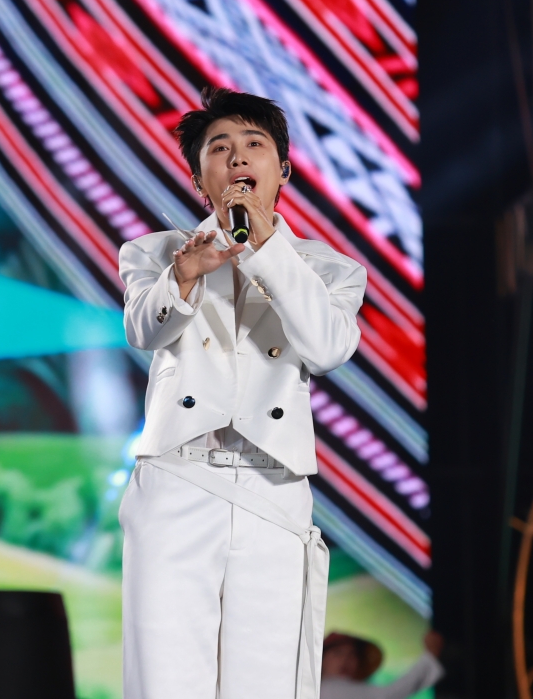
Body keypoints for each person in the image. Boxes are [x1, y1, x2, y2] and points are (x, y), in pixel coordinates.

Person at [119, 87, 367, 699]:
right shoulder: (155, 253)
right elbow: (145, 330)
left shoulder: (329, 269)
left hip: (271, 487)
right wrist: (184, 275)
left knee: (265, 683)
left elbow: (328, 348)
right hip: (178, 478)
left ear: (282, 170)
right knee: (166, 681)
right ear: (198, 179)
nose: (237, 157)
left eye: (254, 144)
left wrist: (266, 251)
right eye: (219, 148)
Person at [320, 631, 444, 699]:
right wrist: (430, 656)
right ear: (322, 659)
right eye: (337, 653)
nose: (346, 659)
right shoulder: (327, 688)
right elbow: (386, 695)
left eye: (353, 655)